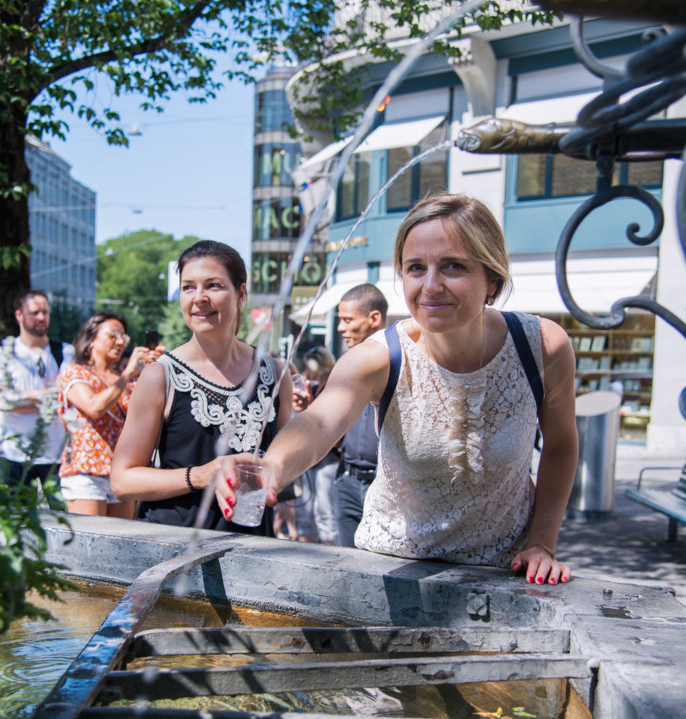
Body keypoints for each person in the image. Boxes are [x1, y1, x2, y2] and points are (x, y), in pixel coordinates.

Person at [216, 193, 578, 585]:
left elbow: (561, 444)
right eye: (415, 268)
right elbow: (319, 424)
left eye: (453, 266)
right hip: (392, 571)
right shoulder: (379, 357)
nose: (431, 285)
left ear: (492, 277)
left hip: (505, 572)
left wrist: (543, 543)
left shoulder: (542, 346)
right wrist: (271, 466)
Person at [110, 240, 293, 531]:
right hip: (176, 553)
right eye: (188, 287)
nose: (199, 298)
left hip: (253, 554)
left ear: (240, 294)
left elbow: (288, 469)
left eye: (213, 286)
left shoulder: (276, 374)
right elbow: (122, 481)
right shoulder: (160, 376)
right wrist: (204, 474)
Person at [58, 313, 154, 518]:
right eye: (113, 335)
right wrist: (128, 374)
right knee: (89, 546)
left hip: (122, 473)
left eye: (124, 338)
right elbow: (94, 407)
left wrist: (152, 372)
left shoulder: (126, 381)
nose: (120, 342)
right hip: (85, 472)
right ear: (91, 339)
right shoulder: (75, 372)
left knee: (120, 546)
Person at [0, 289, 75, 506]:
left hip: (55, 454)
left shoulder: (65, 352)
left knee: (65, 519)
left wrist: (19, 398)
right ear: (19, 315)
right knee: (13, 523)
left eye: (45, 312)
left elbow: (65, 398)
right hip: (12, 453)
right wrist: (42, 396)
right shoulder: (3, 355)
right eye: (34, 312)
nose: (41, 318)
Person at [334, 283, 388, 546]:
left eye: (347, 320)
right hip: (347, 481)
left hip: (384, 486)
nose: (340, 328)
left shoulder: (398, 363)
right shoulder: (344, 366)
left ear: (373, 319)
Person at [298, 346, 340, 544]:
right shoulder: (313, 389)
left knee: (325, 512)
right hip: (309, 459)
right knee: (305, 511)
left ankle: (328, 554)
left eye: (309, 367)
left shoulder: (333, 390)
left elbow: (335, 436)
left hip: (328, 460)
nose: (306, 372)